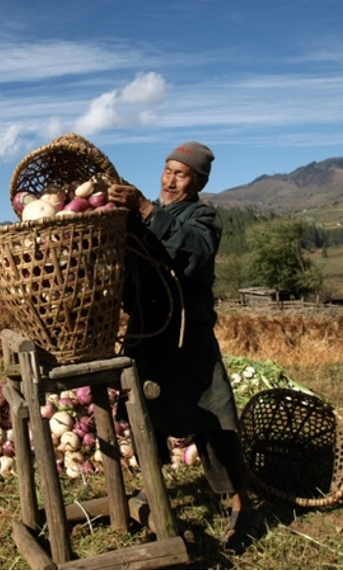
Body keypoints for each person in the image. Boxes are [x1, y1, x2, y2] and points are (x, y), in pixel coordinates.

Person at [108, 141, 260, 552]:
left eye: (181, 174)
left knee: (212, 416)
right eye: (167, 170)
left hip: (188, 331)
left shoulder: (202, 217)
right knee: (144, 413)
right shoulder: (143, 217)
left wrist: (144, 208)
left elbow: (194, 250)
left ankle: (242, 507)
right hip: (147, 329)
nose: (170, 181)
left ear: (198, 182)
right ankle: (153, 489)